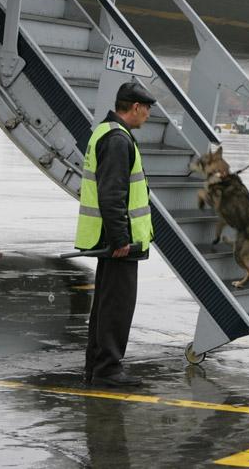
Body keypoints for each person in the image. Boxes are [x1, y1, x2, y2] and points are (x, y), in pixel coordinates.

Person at [75, 80, 156, 387]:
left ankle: (97, 366)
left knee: (105, 305)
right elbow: (112, 194)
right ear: (135, 108)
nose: (148, 115)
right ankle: (108, 369)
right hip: (119, 242)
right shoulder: (118, 140)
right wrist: (121, 238)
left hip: (106, 238)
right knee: (117, 306)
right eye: (146, 109)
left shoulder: (105, 132)